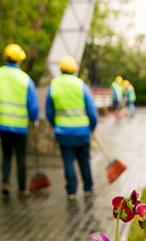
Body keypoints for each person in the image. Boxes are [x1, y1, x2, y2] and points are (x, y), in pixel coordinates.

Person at [0, 43, 39, 197]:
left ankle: (5, 182)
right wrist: (34, 120)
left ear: (5, 57)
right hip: (20, 126)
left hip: (1, 124)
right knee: (20, 157)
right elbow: (33, 104)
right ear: (19, 60)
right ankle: (22, 189)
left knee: (6, 155)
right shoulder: (25, 79)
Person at [47, 55, 99, 198]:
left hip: (63, 132)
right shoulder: (81, 85)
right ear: (74, 69)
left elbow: (49, 111)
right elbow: (91, 110)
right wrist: (93, 125)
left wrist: (55, 124)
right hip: (82, 132)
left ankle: (71, 191)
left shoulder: (54, 85)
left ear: (61, 69)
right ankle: (88, 187)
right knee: (84, 160)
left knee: (68, 161)